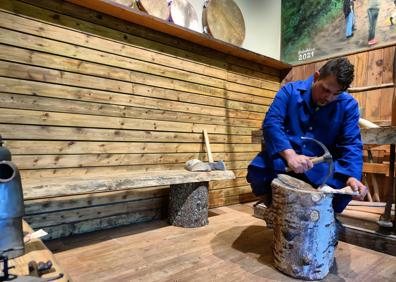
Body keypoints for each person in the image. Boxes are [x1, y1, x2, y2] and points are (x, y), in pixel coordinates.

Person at [246, 58, 368, 214]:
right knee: (257, 171)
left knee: (344, 191)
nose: (329, 97)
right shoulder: (289, 91)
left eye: (336, 93)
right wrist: (290, 155)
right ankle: (276, 210)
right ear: (316, 77)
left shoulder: (348, 105)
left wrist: (352, 176)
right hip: (286, 159)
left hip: (321, 166)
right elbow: (272, 123)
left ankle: (322, 226)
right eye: (325, 89)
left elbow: (351, 143)